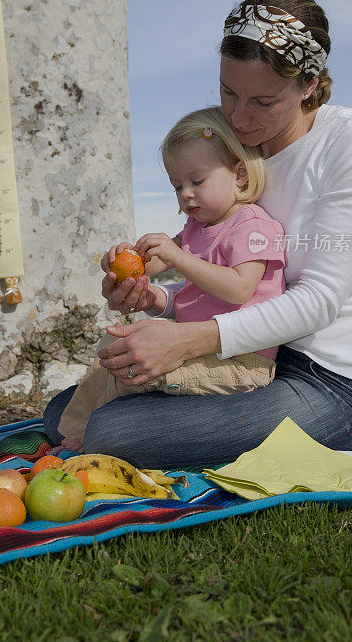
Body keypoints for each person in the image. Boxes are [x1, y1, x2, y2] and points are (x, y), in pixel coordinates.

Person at [43, 0, 352, 470]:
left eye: (262, 100)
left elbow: (319, 301)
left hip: (348, 386)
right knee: (64, 411)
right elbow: (215, 255)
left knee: (111, 430)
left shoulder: (349, 142)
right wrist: (147, 289)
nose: (239, 116)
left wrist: (186, 340)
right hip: (259, 362)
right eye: (228, 92)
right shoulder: (239, 150)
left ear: (309, 84)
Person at [56, 107, 286, 452]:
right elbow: (148, 266)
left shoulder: (253, 225)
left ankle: (90, 439)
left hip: (241, 363)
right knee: (112, 348)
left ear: (239, 175)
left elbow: (239, 288)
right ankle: (69, 433)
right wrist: (121, 262)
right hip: (195, 354)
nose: (186, 194)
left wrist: (179, 255)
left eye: (197, 181)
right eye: (177, 185)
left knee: (132, 369)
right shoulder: (197, 228)